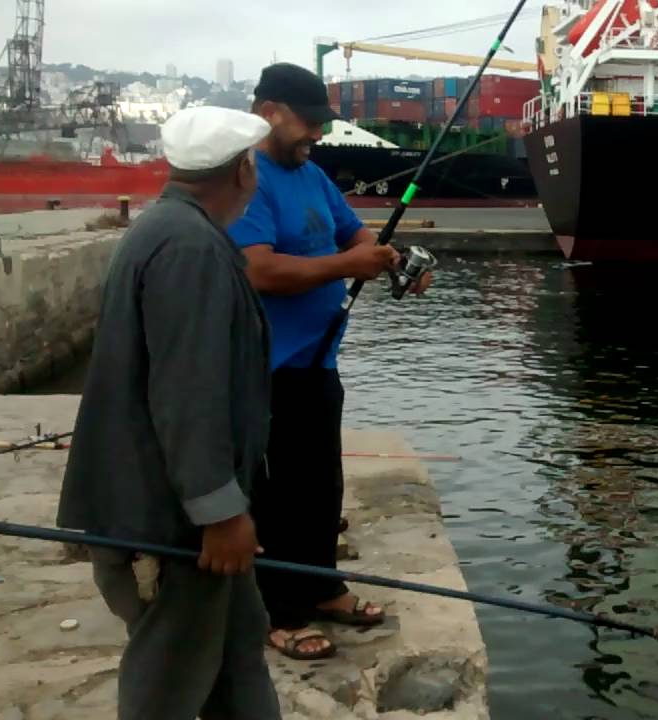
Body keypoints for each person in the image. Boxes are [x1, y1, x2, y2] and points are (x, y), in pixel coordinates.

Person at [57, 106, 280, 719]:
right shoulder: (191, 250)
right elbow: (189, 392)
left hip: (174, 516)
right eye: (253, 167)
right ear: (241, 170)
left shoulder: (166, 231)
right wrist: (220, 512)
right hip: (173, 524)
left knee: (237, 663)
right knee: (168, 684)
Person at [229, 62, 433, 660]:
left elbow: (354, 237)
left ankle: (320, 589)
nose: (317, 133)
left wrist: (394, 260)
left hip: (318, 362)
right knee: (278, 494)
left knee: (320, 485)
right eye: (309, 122)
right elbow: (258, 269)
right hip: (268, 368)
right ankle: (279, 611)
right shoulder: (249, 178)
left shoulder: (312, 175)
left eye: (322, 122)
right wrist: (351, 267)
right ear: (269, 111)